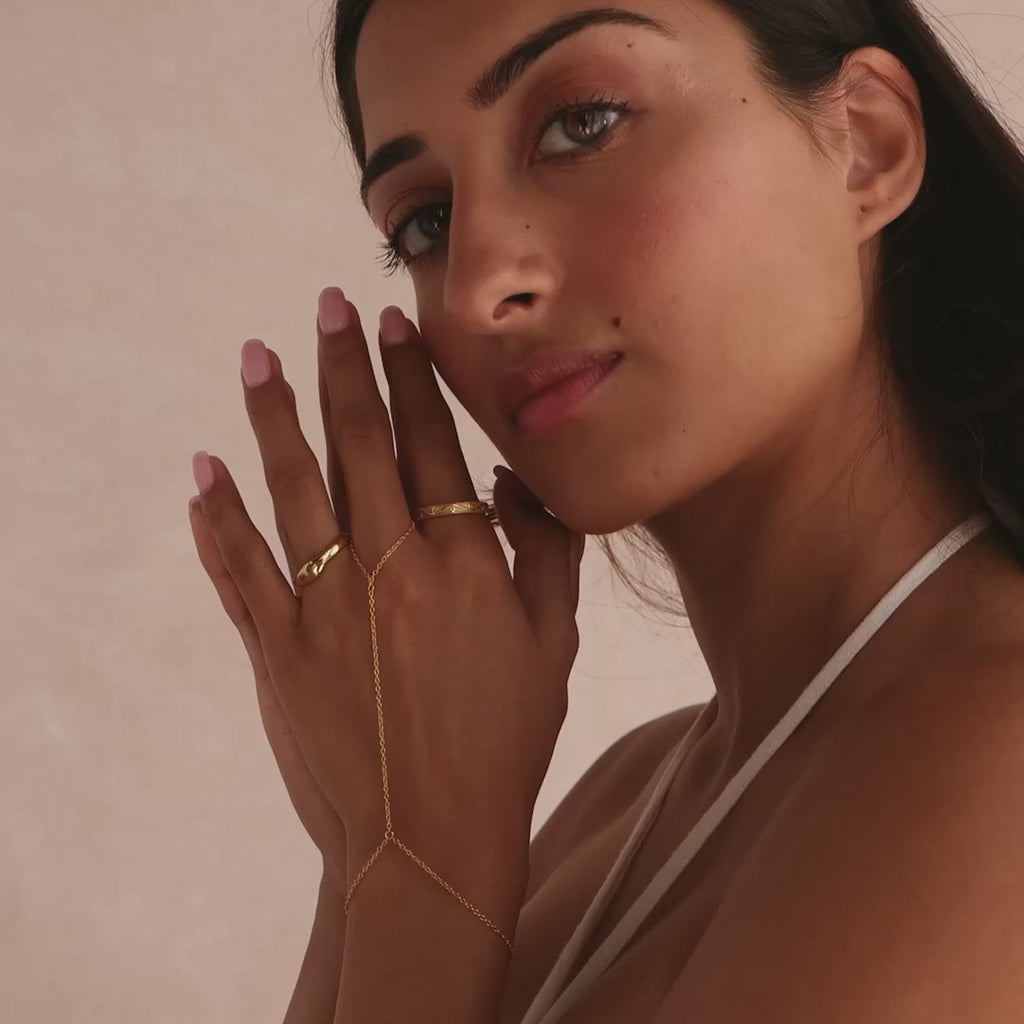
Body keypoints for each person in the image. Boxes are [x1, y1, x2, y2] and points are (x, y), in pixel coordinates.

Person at [275, 0, 1024, 1019]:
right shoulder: (622, 801)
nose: (482, 279)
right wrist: (366, 833)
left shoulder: (994, 763)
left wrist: (417, 871)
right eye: (427, 220)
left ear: (866, 143)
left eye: (580, 123)